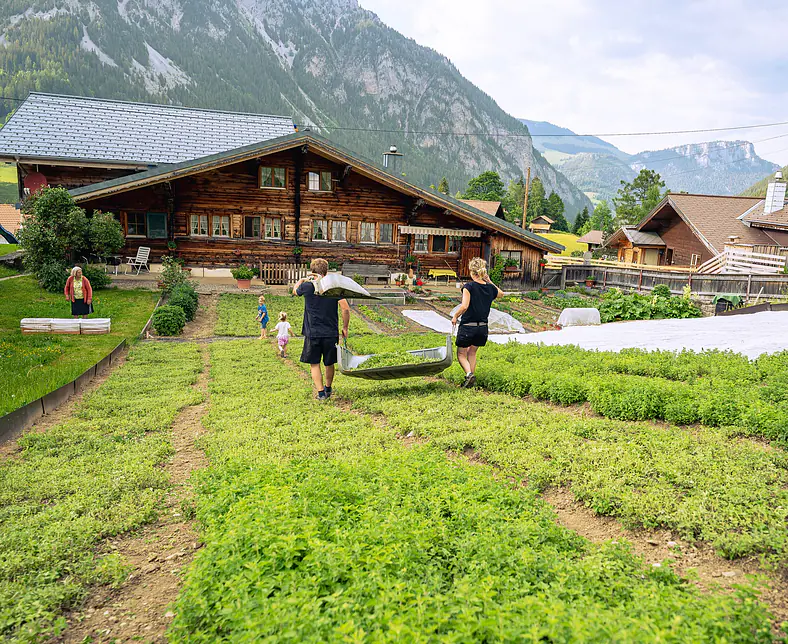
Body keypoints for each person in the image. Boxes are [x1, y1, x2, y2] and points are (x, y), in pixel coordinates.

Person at [293, 258, 350, 400]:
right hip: (331, 332)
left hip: (312, 333)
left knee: (314, 363)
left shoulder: (307, 287)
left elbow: (294, 291)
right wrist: (345, 327)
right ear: (326, 271)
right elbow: (345, 308)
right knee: (329, 363)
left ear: (312, 272)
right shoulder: (333, 288)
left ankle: (320, 393)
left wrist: (301, 280)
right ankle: (328, 388)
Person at [451, 257, 504, 388]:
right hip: (482, 328)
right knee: (472, 352)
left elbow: (464, 306)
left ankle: (469, 375)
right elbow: (501, 294)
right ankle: (471, 378)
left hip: (468, 327)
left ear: (471, 272)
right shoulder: (490, 289)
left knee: (461, 354)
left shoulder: (468, 287)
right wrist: (489, 281)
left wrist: (455, 316)